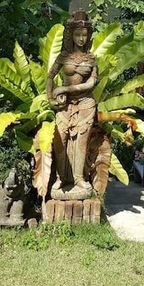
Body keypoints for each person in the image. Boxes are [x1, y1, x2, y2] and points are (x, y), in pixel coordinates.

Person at [46, 11, 98, 198]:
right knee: (61, 140)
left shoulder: (91, 59)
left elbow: (91, 83)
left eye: (84, 35)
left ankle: (78, 179)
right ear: (71, 36)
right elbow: (50, 76)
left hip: (85, 103)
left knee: (81, 142)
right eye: (77, 34)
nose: (81, 38)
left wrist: (65, 90)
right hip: (64, 106)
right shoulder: (63, 56)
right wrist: (51, 97)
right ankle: (61, 178)